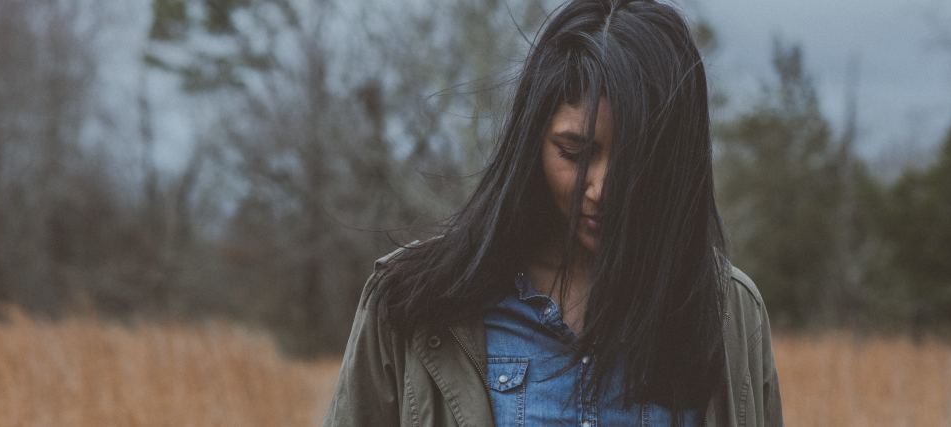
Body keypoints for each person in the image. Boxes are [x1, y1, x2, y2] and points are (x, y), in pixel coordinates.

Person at [323, 0, 782, 425]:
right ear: (532, 142)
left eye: (638, 162)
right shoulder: (411, 303)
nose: (603, 189)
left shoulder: (729, 313)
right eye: (575, 152)